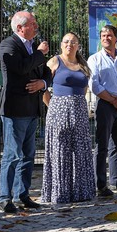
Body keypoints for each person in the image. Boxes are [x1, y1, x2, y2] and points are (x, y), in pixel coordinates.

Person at [0, 11, 50, 214]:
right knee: (12, 154)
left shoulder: (32, 48)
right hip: (15, 109)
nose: (36, 27)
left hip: (32, 108)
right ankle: (4, 197)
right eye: (32, 23)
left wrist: (42, 83)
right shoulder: (9, 45)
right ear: (20, 27)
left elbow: (45, 72)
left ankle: (22, 195)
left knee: (28, 155)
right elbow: (20, 68)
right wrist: (39, 53)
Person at [41, 33, 95, 209]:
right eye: (66, 41)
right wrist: (54, 106)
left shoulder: (83, 65)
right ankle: (59, 192)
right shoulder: (54, 61)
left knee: (81, 151)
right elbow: (43, 87)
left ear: (78, 45)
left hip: (79, 111)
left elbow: (85, 87)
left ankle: (81, 191)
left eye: (73, 42)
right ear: (61, 44)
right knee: (60, 152)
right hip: (58, 111)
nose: (69, 44)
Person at [88, 24, 117, 195]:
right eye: (103, 36)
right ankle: (100, 185)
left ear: (116, 38)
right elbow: (94, 84)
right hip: (105, 105)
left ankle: (115, 181)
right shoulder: (94, 59)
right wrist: (114, 100)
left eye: (109, 35)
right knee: (102, 145)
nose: (106, 38)